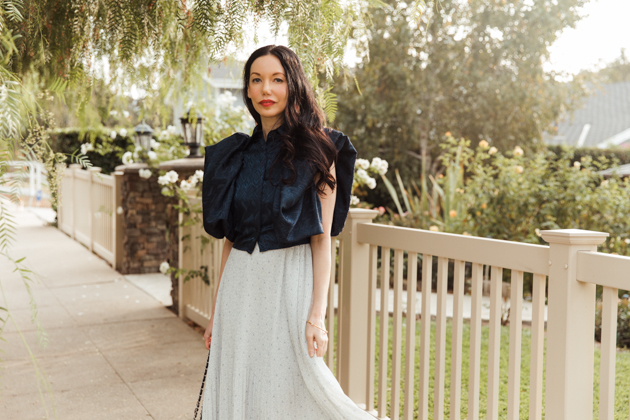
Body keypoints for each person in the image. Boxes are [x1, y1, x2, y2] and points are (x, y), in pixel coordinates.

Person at [200, 45, 375, 419]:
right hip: (239, 285)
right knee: (241, 384)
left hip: (288, 280)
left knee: (300, 385)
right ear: (246, 89)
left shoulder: (319, 148)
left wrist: (317, 315)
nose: (267, 89)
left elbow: (322, 239)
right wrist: (216, 313)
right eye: (257, 80)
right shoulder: (236, 156)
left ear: (293, 86)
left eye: (277, 80)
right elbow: (231, 239)